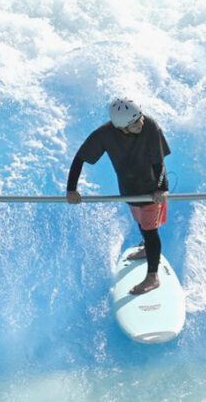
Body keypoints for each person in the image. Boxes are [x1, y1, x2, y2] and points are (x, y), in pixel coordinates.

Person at [66, 98, 170, 295]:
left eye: (140, 117)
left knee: (150, 230)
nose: (141, 123)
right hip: (129, 189)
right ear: (122, 127)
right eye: (134, 123)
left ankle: (153, 276)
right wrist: (71, 189)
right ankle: (148, 250)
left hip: (151, 188)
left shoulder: (150, 126)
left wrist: (162, 189)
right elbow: (80, 158)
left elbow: (159, 161)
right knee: (141, 222)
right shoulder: (104, 134)